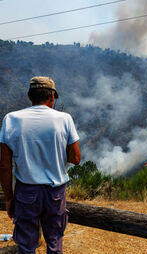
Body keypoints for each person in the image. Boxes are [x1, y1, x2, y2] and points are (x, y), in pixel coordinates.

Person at [0, 76, 81, 254]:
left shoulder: (11, 119)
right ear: (52, 97)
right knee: (54, 241)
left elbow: (5, 166)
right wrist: (55, 153)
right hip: (55, 193)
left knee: (26, 245)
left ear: (30, 96)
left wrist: (9, 198)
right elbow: (76, 158)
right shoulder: (64, 118)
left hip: (26, 192)